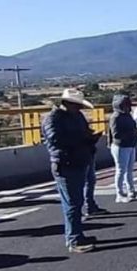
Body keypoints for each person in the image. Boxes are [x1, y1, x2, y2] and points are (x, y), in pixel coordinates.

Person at [41, 89, 101, 253]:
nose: (79, 109)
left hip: (79, 160)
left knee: (77, 201)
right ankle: (74, 239)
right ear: (67, 103)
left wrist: (89, 138)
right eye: (77, 105)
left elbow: (83, 132)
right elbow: (55, 139)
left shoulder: (76, 116)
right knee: (72, 204)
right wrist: (82, 139)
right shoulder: (52, 119)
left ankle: (77, 234)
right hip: (65, 163)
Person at [108, 94, 137, 203]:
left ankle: (131, 191)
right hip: (121, 146)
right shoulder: (116, 117)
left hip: (130, 144)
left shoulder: (127, 115)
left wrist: (135, 131)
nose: (128, 107)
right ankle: (119, 193)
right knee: (121, 170)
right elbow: (116, 134)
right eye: (125, 105)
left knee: (129, 170)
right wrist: (132, 132)